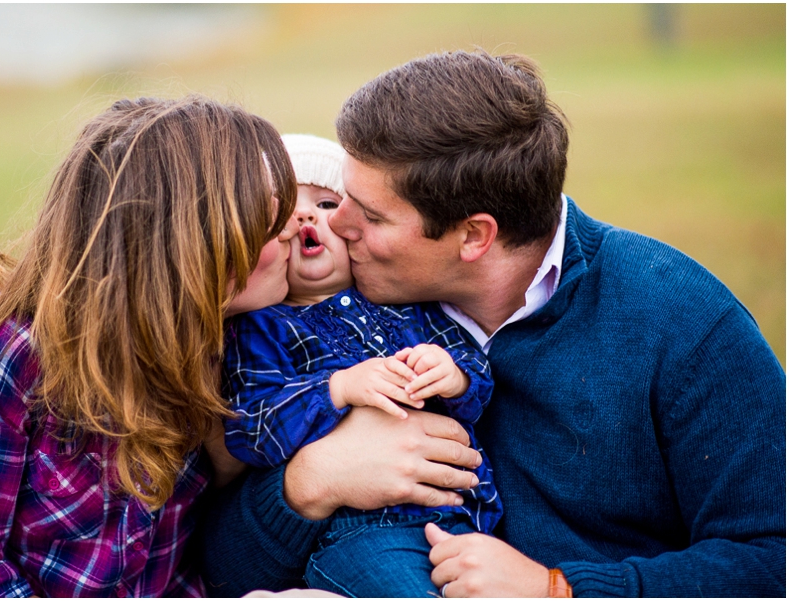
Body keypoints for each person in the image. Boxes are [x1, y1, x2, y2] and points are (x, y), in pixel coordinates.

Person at [202, 51, 786, 597]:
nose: (334, 223)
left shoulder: (677, 318)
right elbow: (212, 571)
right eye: (342, 197)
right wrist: (309, 483)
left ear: (475, 236)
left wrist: (558, 588)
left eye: (370, 214)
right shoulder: (309, 310)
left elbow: (771, 557)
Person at [0, 95, 300, 597]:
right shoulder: (13, 356)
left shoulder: (236, 340)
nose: (292, 226)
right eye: (264, 215)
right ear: (183, 239)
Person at [216, 134, 500, 598]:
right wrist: (337, 388)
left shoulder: (407, 305)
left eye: (328, 204)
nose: (306, 216)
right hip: (362, 532)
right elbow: (251, 428)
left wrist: (455, 373)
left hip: (467, 518)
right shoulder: (262, 328)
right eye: (286, 213)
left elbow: (479, 376)